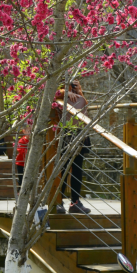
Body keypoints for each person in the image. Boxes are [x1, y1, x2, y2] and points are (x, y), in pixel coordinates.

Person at [56, 80, 92, 214]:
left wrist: (79, 93)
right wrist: (64, 92)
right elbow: (46, 94)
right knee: (62, 169)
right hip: (63, 135)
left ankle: (75, 202)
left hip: (79, 134)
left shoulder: (79, 98)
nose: (72, 88)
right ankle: (58, 201)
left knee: (77, 169)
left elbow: (85, 108)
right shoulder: (59, 98)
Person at [14, 123, 30, 190]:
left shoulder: (33, 140)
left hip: (29, 163)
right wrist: (28, 151)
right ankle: (20, 190)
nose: (31, 133)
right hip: (21, 163)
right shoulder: (22, 140)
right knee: (21, 178)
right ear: (24, 131)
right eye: (29, 131)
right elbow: (20, 149)